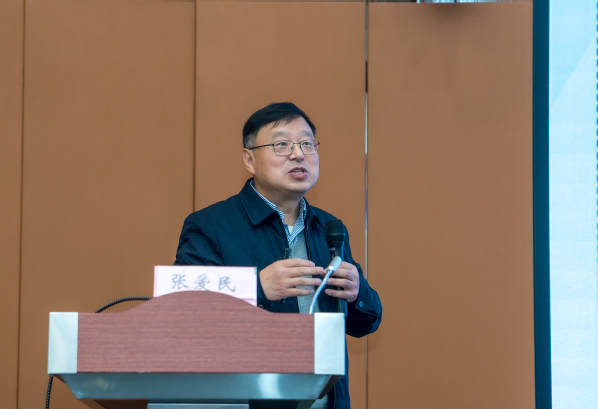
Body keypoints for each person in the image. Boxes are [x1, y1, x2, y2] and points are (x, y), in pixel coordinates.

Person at [174, 102, 382, 409]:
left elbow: (364, 325)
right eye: (282, 144)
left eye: (307, 144)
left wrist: (357, 293)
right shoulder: (209, 226)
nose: (298, 154)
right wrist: (257, 288)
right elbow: (185, 317)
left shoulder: (328, 228)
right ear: (249, 160)